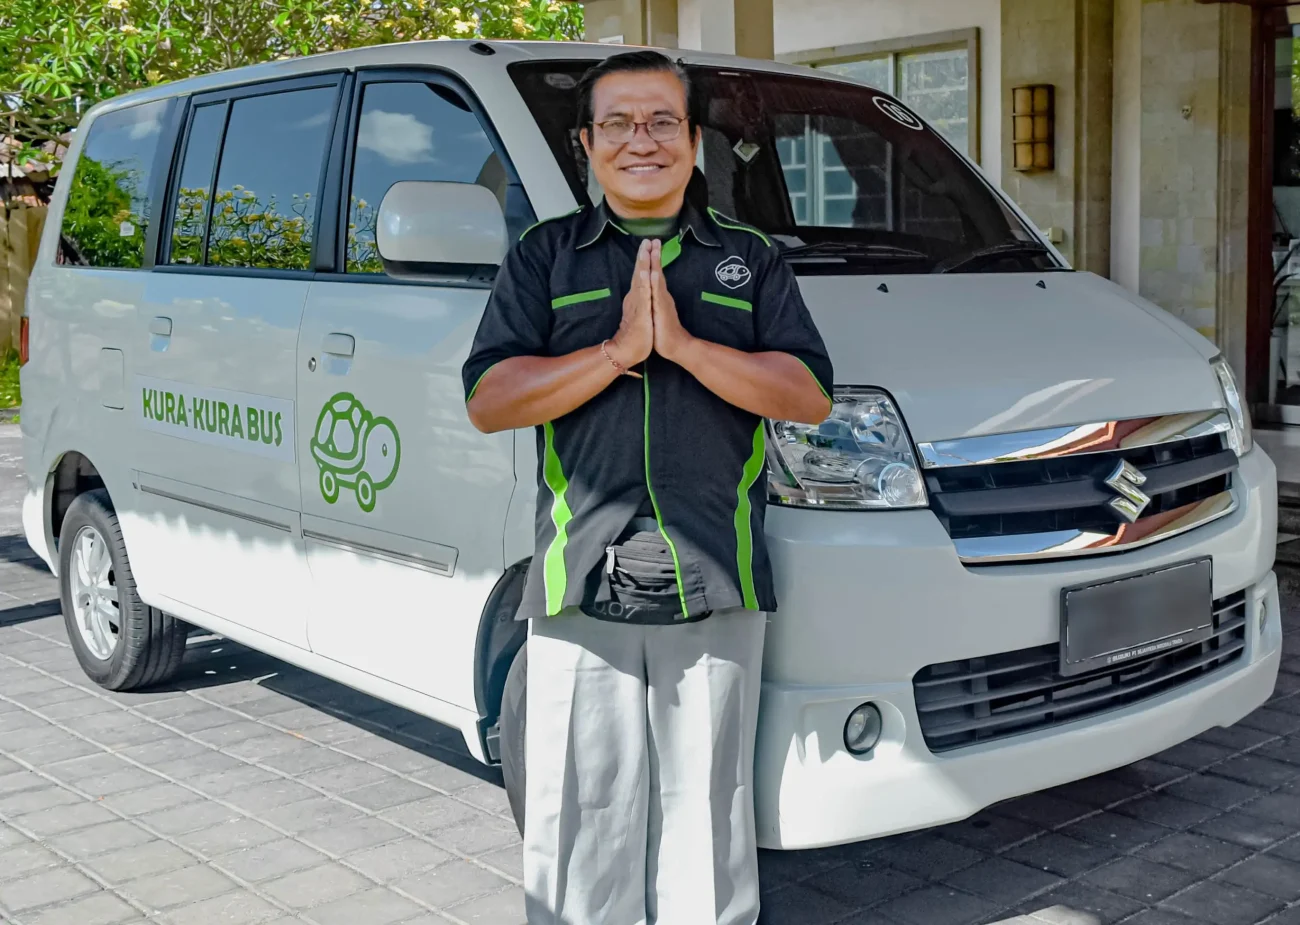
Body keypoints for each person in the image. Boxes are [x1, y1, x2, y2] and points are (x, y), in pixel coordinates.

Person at [461, 50, 833, 925]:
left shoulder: (748, 259)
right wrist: (616, 353)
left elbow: (807, 395)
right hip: (578, 579)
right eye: (619, 123)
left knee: (709, 822)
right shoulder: (544, 256)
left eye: (663, 121)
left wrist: (690, 349)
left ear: (695, 140)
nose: (643, 141)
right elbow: (489, 399)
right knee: (581, 824)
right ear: (587, 143)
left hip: (719, 576)